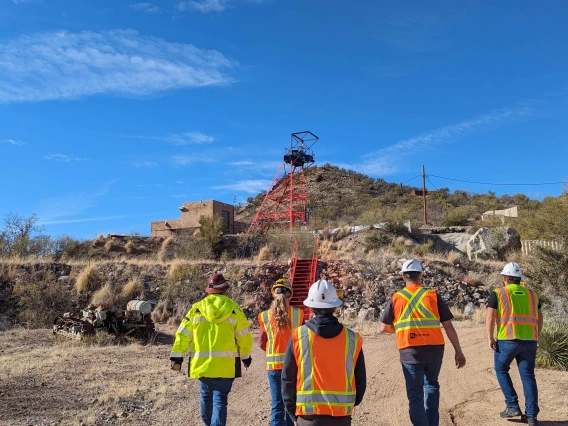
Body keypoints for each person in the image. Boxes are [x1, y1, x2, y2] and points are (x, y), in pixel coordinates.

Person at [379, 259, 466, 426]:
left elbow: (384, 327)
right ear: (420, 275)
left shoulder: (396, 298)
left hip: (410, 352)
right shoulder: (432, 295)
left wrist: (402, 331)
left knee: (415, 395)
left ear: (403, 277)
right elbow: (448, 326)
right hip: (435, 351)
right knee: (432, 384)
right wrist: (458, 351)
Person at [170, 273, 253, 426]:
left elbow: (182, 334)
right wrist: (246, 357)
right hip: (226, 367)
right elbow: (244, 337)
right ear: (225, 291)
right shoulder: (234, 310)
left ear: (209, 290)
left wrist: (177, 357)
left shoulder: (196, 309)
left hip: (202, 366)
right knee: (220, 400)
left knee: (206, 397)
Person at [282, 279, 366, 426]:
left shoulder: (298, 337)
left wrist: (292, 414)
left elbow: (288, 378)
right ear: (334, 307)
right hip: (341, 418)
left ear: (311, 307)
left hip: (308, 418)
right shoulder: (352, 339)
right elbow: (360, 379)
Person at [486, 262, 542, 426]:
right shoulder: (533, 295)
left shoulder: (497, 294)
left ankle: (512, 405)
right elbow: (540, 317)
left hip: (507, 341)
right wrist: (536, 336)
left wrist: (490, 338)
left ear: (504, 278)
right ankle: (531, 416)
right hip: (529, 342)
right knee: (528, 377)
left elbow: (490, 317)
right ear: (520, 280)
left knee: (501, 368)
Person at [258, 278, 305, 426]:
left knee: (277, 404)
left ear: (274, 295)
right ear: (289, 295)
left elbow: (261, 342)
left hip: (273, 367)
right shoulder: (299, 314)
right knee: (291, 405)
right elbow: (303, 339)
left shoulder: (264, 316)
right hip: (294, 366)